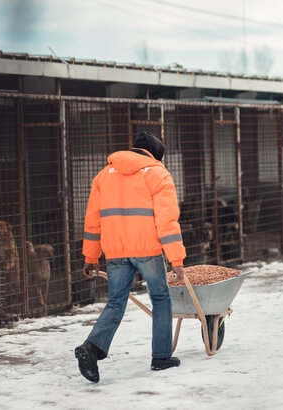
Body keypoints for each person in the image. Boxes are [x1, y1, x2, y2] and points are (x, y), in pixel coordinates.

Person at [75, 131, 186, 383]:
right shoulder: (158, 174)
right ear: (156, 155)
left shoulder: (104, 175)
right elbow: (167, 221)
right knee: (160, 298)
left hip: (115, 252)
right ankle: (161, 357)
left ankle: (91, 347)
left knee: (116, 302)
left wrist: (90, 257)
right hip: (147, 251)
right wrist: (176, 259)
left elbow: (92, 220)